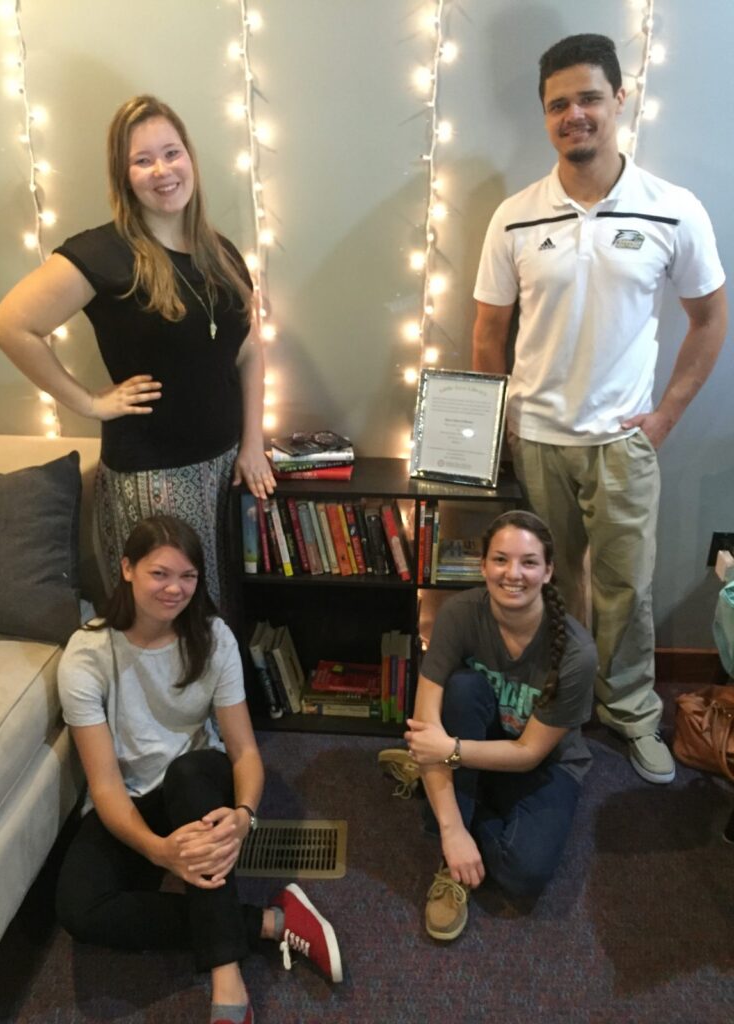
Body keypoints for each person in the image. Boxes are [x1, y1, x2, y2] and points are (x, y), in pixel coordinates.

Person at [471, 34, 727, 784]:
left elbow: (711, 320)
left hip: (623, 443)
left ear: (621, 98)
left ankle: (633, 710)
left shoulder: (672, 210)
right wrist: (501, 430)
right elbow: (488, 331)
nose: (574, 115)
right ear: (544, 115)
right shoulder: (514, 216)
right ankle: (565, 710)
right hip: (538, 439)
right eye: (558, 104)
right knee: (551, 589)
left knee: (624, 591)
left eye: (589, 98)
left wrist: (664, 419)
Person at [0, 95, 275, 614]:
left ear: (191, 157)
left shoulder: (220, 251)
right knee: (166, 624)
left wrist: (252, 444)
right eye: (143, 160)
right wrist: (89, 403)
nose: (162, 170)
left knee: (218, 620)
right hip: (153, 482)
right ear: (124, 176)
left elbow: (249, 350)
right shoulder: (104, 253)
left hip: (223, 470)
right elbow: (10, 326)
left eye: (172, 153)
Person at [55, 514, 342, 1024]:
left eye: (188, 577)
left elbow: (245, 753)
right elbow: (104, 783)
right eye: (159, 574)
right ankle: (271, 922)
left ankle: (226, 982)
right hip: (131, 801)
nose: (175, 589)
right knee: (80, 909)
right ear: (126, 569)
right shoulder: (87, 655)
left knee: (188, 774)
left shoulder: (213, 638)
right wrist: (160, 852)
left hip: (198, 783)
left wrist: (245, 815)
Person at [381, 511, 597, 941]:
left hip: (541, 763)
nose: (513, 574)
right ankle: (451, 857)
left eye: (529, 562)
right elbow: (427, 723)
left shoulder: (577, 652)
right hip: (473, 740)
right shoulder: (459, 614)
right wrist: (452, 831)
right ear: (483, 566)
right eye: (500, 559)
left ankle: (439, 788)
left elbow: (529, 753)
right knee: (461, 689)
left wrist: (443, 756)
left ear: (548, 571)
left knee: (525, 876)